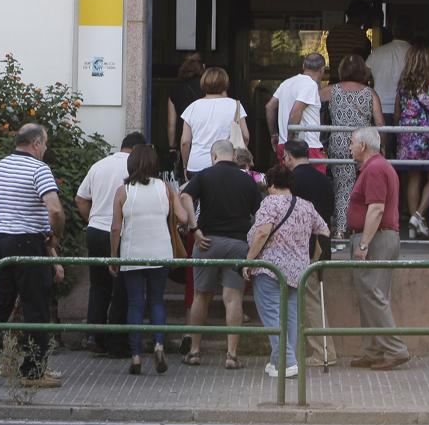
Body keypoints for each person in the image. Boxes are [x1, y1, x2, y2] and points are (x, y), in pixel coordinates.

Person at [0, 124, 66, 388]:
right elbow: (55, 210)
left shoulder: (0, 166)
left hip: (0, 241)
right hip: (27, 243)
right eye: (46, 143)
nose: (46, 149)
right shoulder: (39, 169)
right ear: (37, 143)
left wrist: (8, 216)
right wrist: (55, 237)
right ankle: (33, 371)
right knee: (37, 306)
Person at [178, 139, 263, 369]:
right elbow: (259, 214)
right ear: (234, 157)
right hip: (238, 243)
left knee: (201, 296)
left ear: (213, 156)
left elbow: (184, 196)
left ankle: (195, 351)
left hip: (207, 242)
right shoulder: (247, 181)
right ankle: (232, 355)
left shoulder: (204, 176)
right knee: (232, 298)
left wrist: (194, 229)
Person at [244, 163, 329, 378]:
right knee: (291, 315)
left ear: (271, 184)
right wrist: (314, 259)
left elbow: (262, 232)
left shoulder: (269, 203)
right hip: (299, 270)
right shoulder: (306, 205)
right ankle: (278, 361)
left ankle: (288, 361)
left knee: (271, 314)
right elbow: (324, 231)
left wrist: (249, 261)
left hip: (270, 268)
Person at [109, 144, 188, 375]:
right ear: (155, 164)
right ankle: (159, 344)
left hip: (133, 252)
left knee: (135, 303)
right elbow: (182, 217)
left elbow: (115, 228)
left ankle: (135, 356)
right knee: (156, 301)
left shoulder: (123, 191)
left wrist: (113, 255)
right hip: (161, 251)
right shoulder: (164, 188)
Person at [74, 132, 145, 357]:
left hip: (96, 231)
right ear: (138, 150)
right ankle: (117, 342)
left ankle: (94, 336)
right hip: (123, 232)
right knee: (122, 288)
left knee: (99, 286)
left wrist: (93, 219)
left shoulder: (99, 165)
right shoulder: (137, 168)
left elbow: (80, 199)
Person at [347, 126, 411, 371]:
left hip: (374, 238)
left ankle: (395, 349)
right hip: (379, 237)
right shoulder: (379, 167)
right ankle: (373, 350)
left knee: (373, 294)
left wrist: (363, 243)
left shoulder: (374, 169)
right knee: (371, 295)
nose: (350, 147)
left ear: (363, 146)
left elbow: (376, 209)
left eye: (352, 143)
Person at [283, 139, 337, 366]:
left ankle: (324, 352)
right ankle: (317, 349)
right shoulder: (324, 180)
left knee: (310, 299)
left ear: (288, 157)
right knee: (312, 297)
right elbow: (330, 211)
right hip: (323, 243)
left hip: (302, 247)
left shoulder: (293, 180)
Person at [321, 54, 385, 237]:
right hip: (364, 143)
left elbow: (310, 104)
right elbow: (380, 123)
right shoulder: (370, 93)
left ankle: (341, 229)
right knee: (366, 186)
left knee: (343, 185)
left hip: (339, 143)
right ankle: (361, 227)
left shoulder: (330, 91)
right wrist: (381, 146)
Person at [396, 44, 429, 239]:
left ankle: (413, 228)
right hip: (427, 135)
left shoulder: (403, 84)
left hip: (406, 134)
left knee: (413, 178)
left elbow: (398, 112)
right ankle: (418, 215)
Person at [179, 66, 249, 177]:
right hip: (226, 165)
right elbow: (245, 136)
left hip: (197, 166)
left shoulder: (192, 107)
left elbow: (185, 142)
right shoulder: (235, 105)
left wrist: (185, 166)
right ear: (225, 84)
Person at [266, 53, 327, 172]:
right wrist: (290, 143)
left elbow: (269, 107)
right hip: (305, 147)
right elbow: (295, 112)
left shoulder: (287, 83)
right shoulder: (311, 84)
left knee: (289, 187)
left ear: (303, 65)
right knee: (316, 187)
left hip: (283, 145)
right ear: (322, 69)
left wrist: (274, 135)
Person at [368, 16, 413, 119]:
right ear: (412, 33)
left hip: (379, 107)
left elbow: (362, 75)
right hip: (406, 108)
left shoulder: (377, 52)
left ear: (393, 31)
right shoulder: (414, 54)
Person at [166, 52, 204, 172]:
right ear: (202, 67)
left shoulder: (175, 90)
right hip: (203, 136)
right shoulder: (207, 88)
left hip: (184, 138)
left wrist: (172, 147)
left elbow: (171, 124)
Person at [325, 0, 372, 81]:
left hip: (334, 79)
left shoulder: (333, 32)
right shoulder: (359, 34)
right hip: (351, 82)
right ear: (362, 16)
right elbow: (359, 60)